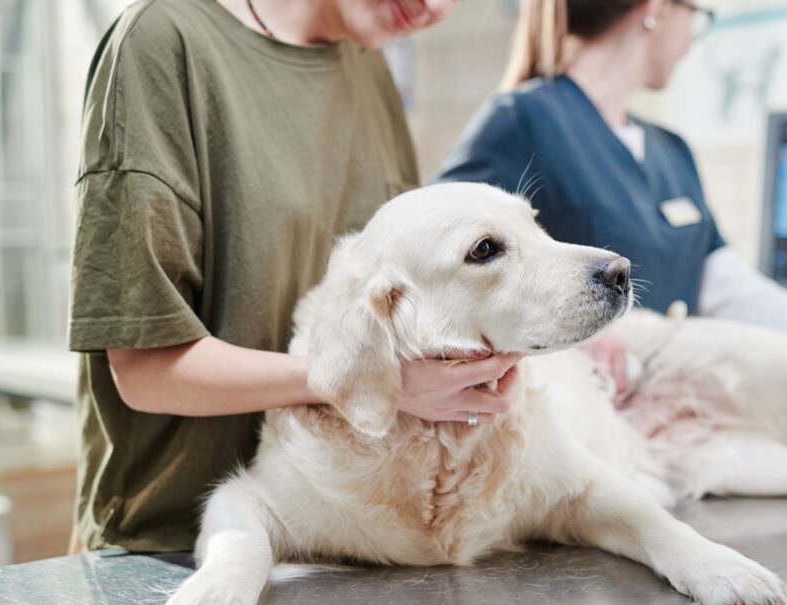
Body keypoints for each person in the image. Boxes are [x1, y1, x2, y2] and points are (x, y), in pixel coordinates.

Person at [68, 0, 521, 554]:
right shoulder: (163, 43)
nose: (436, 9)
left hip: (341, 539)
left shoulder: (368, 65)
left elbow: (394, 312)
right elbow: (145, 370)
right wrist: (364, 380)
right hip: (167, 550)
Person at [437, 0, 787, 423]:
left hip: (672, 425)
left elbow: (730, 291)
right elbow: (437, 277)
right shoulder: (520, 121)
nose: (693, 40)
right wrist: (573, 344)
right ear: (657, 9)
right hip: (573, 433)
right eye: (696, 17)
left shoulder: (671, 150)